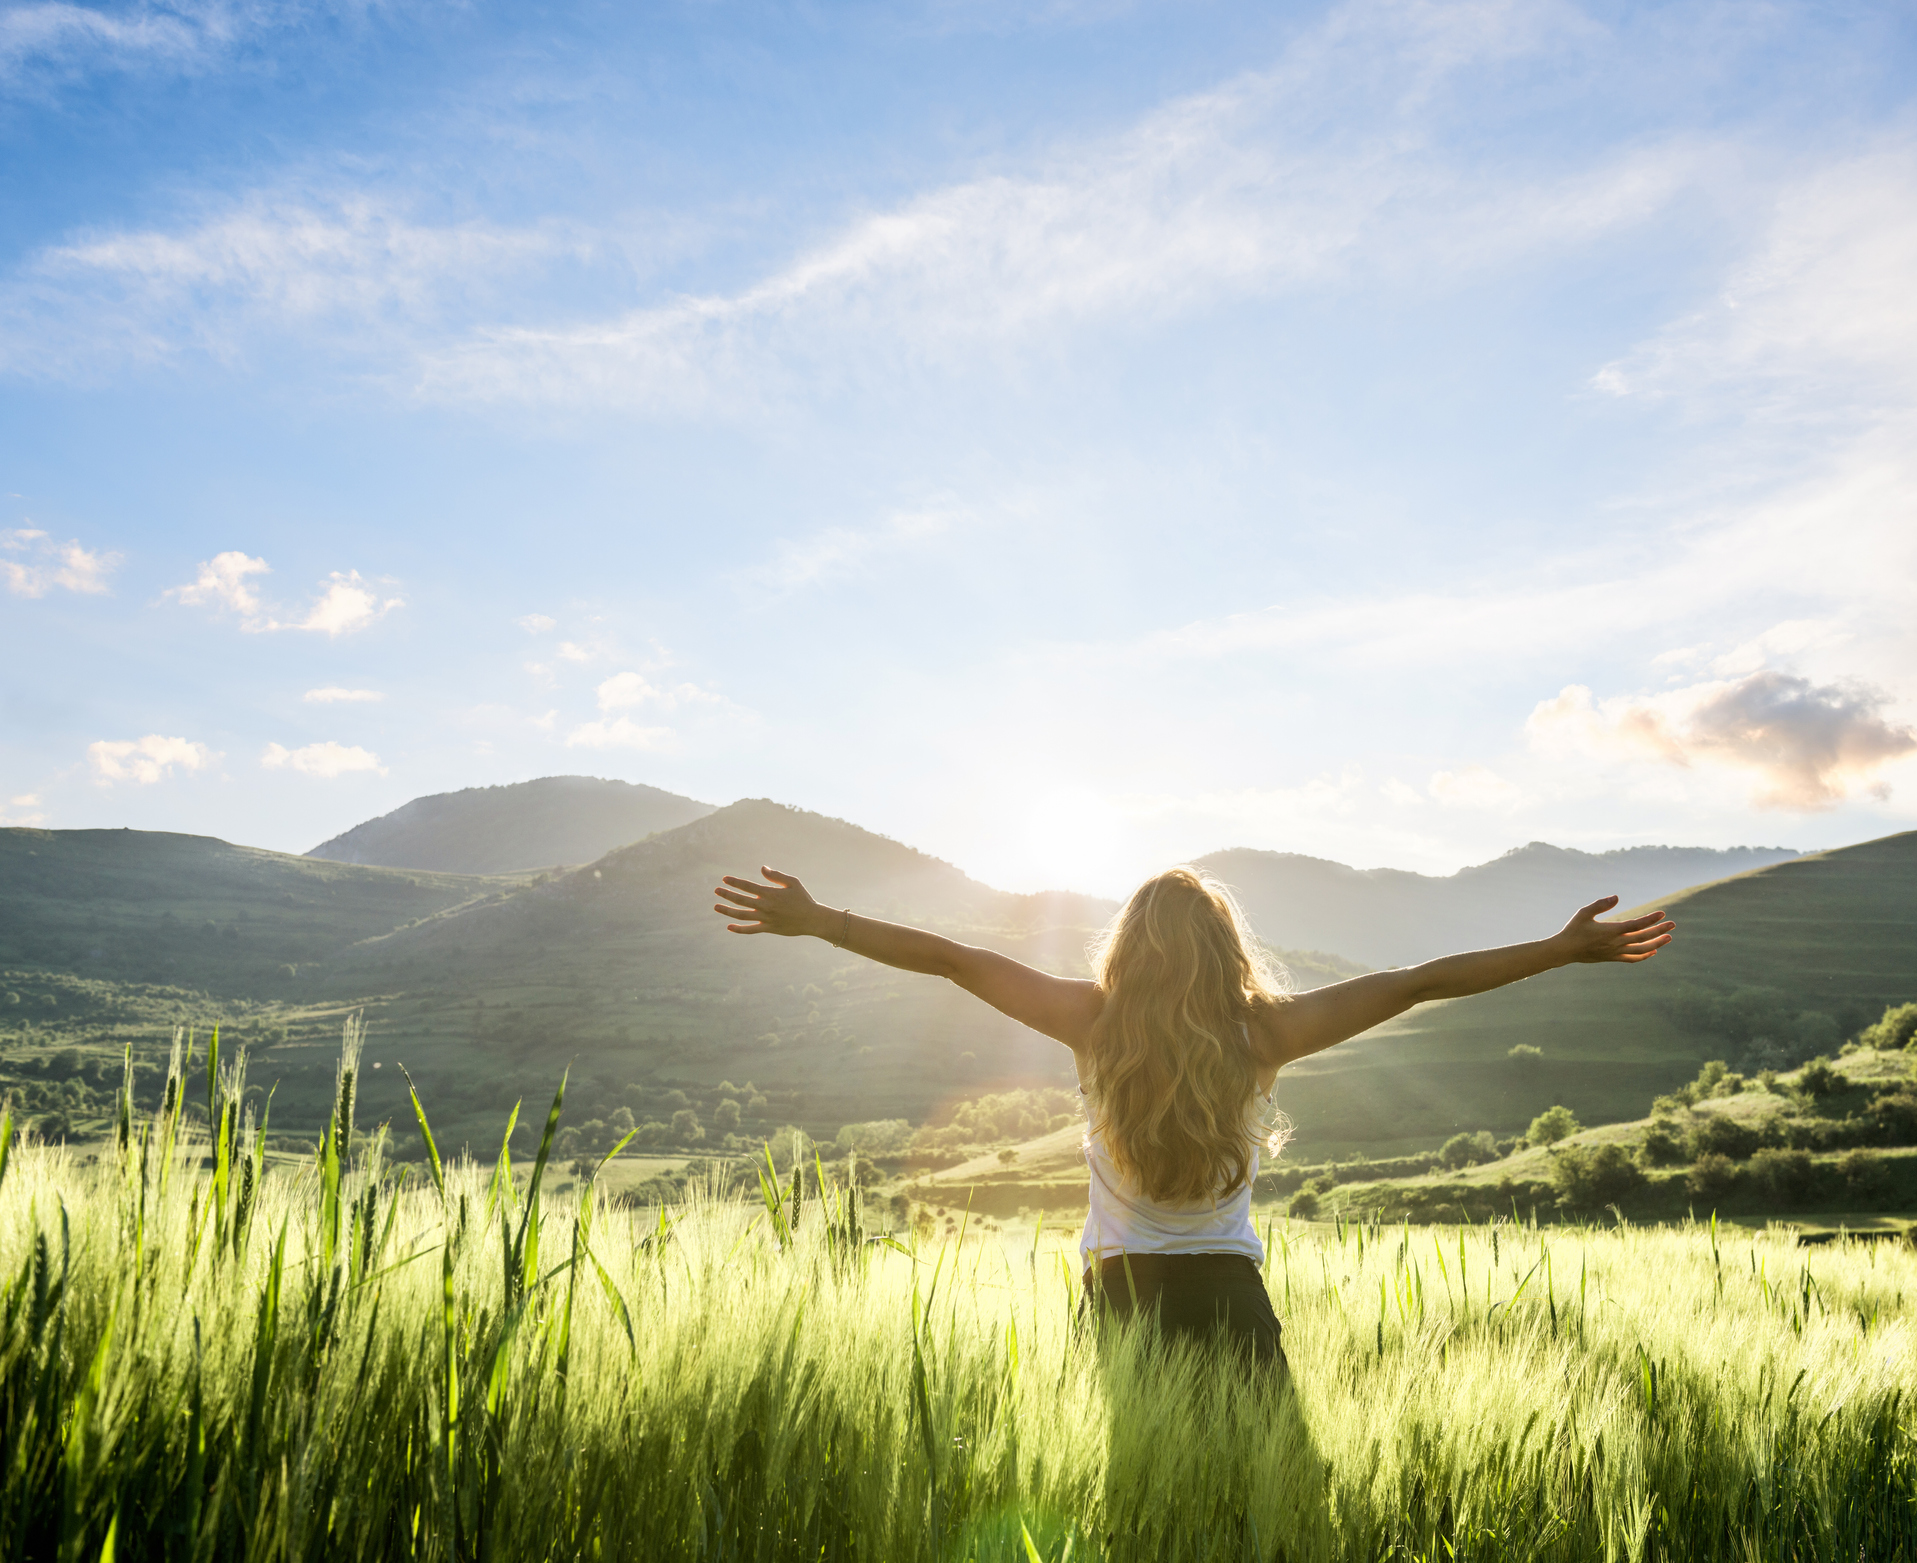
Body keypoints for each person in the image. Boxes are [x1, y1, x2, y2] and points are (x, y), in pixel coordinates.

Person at [711, 864, 1674, 1371]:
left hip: (1118, 1296)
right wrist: (1558, 950)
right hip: (1231, 1298)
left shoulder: (1088, 1021)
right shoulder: (1268, 1033)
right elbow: (1418, 981)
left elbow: (958, 959)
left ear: (1128, 949)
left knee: (1138, 1506)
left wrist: (825, 919)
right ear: (1226, 949)